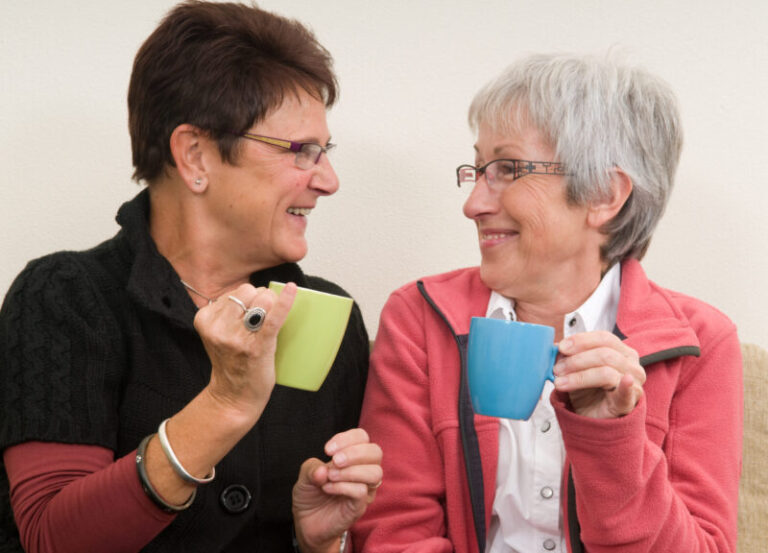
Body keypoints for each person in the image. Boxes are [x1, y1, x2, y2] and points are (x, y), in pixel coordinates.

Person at [0, 2, 382, 552]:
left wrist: (320, 543)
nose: (329, 180)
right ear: (196, 155)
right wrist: (224, 405)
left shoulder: (327, 315)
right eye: (302, 151)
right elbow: (52, 538)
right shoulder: (66, 297)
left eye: (325, 152)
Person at [353, 53, 742, 553]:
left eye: (508, 169)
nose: (473, 204)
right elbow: (394, 534)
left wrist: (613, 442)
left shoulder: (700, 344)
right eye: (478, 169)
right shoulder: (419, 317)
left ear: (604, 194)